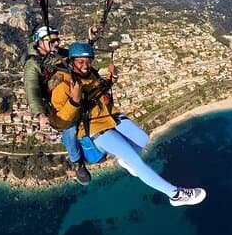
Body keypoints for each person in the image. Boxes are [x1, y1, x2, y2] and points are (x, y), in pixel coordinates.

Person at [49, 43, 207, 206]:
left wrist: (112, 78)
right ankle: (175, 195)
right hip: (93, 127)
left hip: (109, 115)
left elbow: (97, 90)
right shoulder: (62, 87)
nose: (85, 66)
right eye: (81, 62)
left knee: (142, 139)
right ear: (71, 61)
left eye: (88, 61)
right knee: (137, 162)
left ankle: (127, 161)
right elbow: (59, 122)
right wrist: (74, 101)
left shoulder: (89, 74)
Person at [22, 25, 99, 185]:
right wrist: (40, 114)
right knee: (69, 129)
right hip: (54, 104)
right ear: (39, 42)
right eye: (52, 40)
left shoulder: (55, 53)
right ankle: (77, 163)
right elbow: (32, 90)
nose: (57, 43)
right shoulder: (32, 65)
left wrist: (90, 41)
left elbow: (77, 57)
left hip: (70, 91)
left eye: (57, 40)